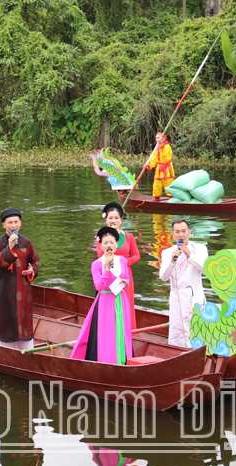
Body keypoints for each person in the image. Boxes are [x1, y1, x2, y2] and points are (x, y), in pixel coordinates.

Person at [71, 227, 133, 364]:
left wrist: (124, 282)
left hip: (121, 299)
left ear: (116, 244)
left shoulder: (122, 260)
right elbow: (99, 286)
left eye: (111, 242)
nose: (109, 245)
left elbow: (127, 278)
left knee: (122, 330)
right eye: (105, 243)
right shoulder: (97, 264)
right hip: (105, 300)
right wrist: (107, 269)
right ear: (100, 245)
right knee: (107, 333)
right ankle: (106, 360)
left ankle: (123, 359)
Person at [0, 207, 40, 349]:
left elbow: (35, 260)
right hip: (5, 289)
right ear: (3, 225)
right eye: (10, 222)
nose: (13, 225)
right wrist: (9, 247)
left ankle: (27, 351)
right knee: (6, 318)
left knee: (23, 319)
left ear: (20, 223)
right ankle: (5, 352)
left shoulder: (26, 242)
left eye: (16, 222)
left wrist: (32, 270)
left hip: (23, 290)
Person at [158, 219, 207, 347]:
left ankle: (199, 351)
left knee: (197, 327)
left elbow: (205, 271)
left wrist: (190, 256)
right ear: (173, 234)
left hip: (194, 296)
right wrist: (172, 261)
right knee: (178, 330)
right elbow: (163, 277)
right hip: (177, 298)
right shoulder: (167, 252)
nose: (181, 235)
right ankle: (178, 351)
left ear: (189, 232)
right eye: (177, 231)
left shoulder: (200, 249)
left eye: (184, 231)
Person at [93, 202, 140, 327]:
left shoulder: (129, 236)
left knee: (126, 301)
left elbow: (137, 255)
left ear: (121, 219)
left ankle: (128, 331)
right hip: (107, 272)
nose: (113, 220)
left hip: (124, 273)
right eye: (110, 218)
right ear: (106, 219)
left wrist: (124, 262)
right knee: (109, 302)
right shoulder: (101, 238)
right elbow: (99, 256)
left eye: (116, 218)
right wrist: (110, 238)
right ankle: (109, 330)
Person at [146, 132, 175, 200]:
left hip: (167, 170)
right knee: (156, 187)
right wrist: (148, 166)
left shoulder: (167, 146)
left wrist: (162, 144)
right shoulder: (157, 148)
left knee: (169, 188)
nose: (157, 139)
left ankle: (173, 201)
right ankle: (156, 201)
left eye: (159, 138)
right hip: (159, 171)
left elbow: (166, 156)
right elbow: (154, 160)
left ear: (163, 138)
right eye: (156, 138)